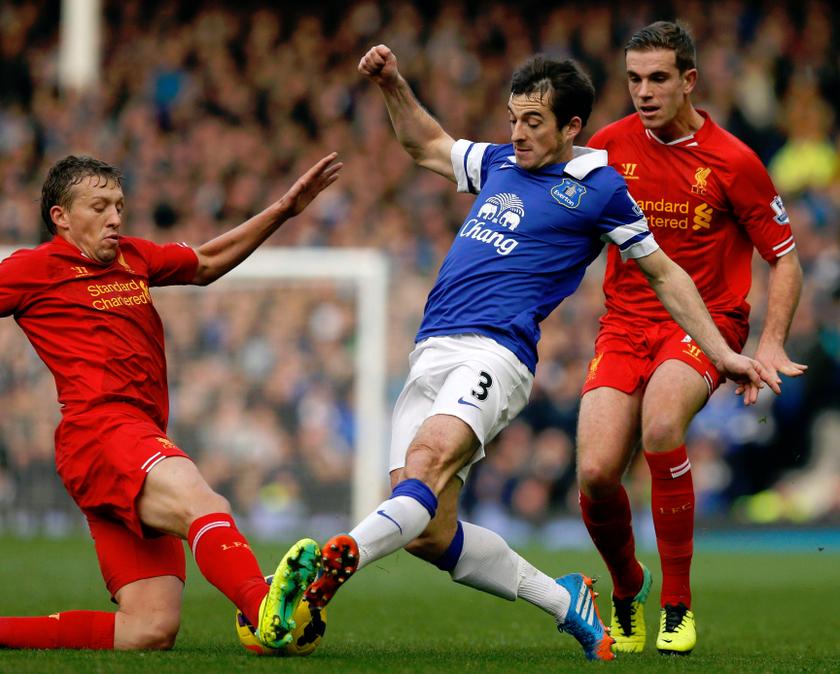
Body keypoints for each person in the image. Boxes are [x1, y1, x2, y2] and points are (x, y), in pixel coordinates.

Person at [287, 44, 773, 662]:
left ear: (571, 127)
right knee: (427, 531)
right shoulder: (498, 163)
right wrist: (392, 82)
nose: (516, 133)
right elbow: (426, 145)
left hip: (497, 353)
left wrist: (722, 352)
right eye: (513, 119)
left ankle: (334, 565)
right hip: (431, 349)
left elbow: (664, 273)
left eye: (533, 122)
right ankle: (565, 600)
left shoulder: (599, 186)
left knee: (429, 463)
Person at [0, 152, 342, 651]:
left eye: (118, 205)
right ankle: (262, 604)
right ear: (61, 216)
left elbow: (205, 263)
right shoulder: (34, 268)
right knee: (204, 503)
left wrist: (284, 210)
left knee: (149, 629)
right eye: (99, 207)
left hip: (129, 438)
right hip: (102, 430)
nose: (115, 217)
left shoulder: (133, 257)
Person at [577, 21, 805, 656]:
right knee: (595, 473)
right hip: (623, 324)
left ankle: (677, 603)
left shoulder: (734, 161)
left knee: (659, 428)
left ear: (688, 82)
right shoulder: (606, 147)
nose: (643, 92)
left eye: (657, 79)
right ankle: (629, 587)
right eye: (633, 80)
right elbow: (571, 227)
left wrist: (771, 342)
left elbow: (784, 258)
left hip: (705, 325)